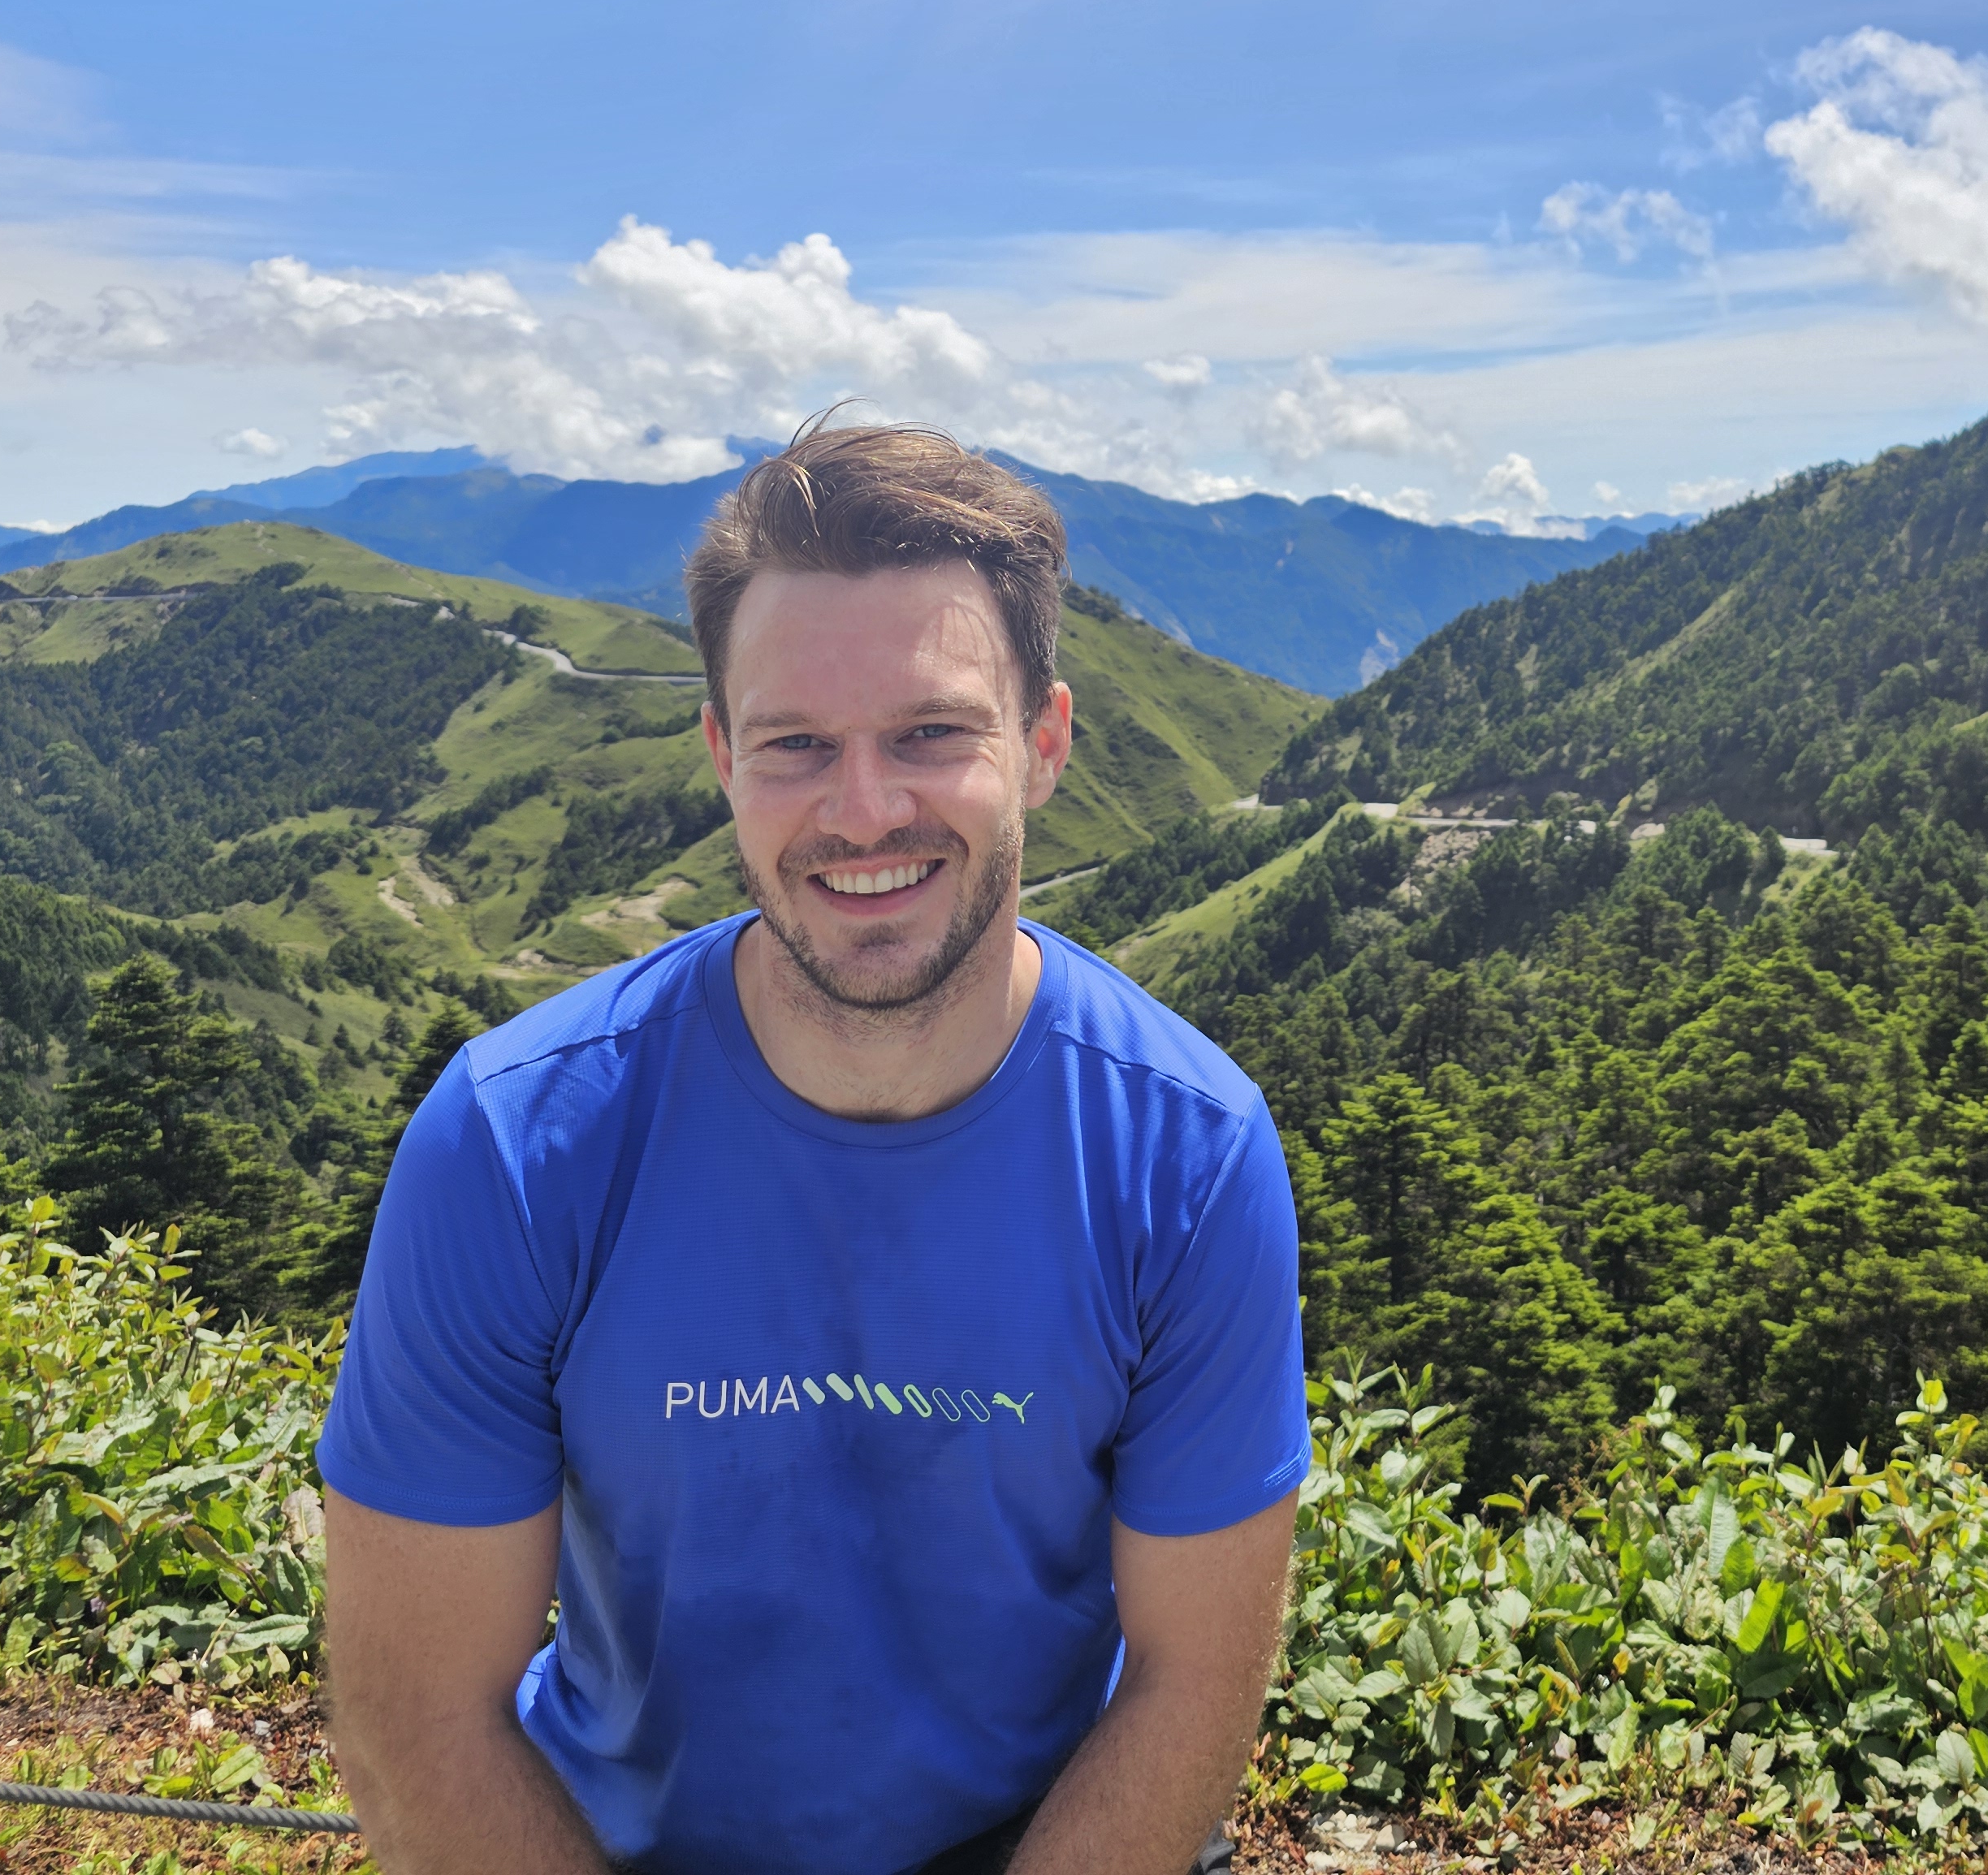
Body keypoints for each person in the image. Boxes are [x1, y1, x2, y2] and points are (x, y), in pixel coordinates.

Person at [318, 420, 1309, 1875]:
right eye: (796, 746)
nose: (863, 812)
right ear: (722, 755)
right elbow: (417, 1714)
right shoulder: (515, 1142)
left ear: (1043, 743)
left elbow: (1193, 1683)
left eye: (930, 733)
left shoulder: (1189, 1153)